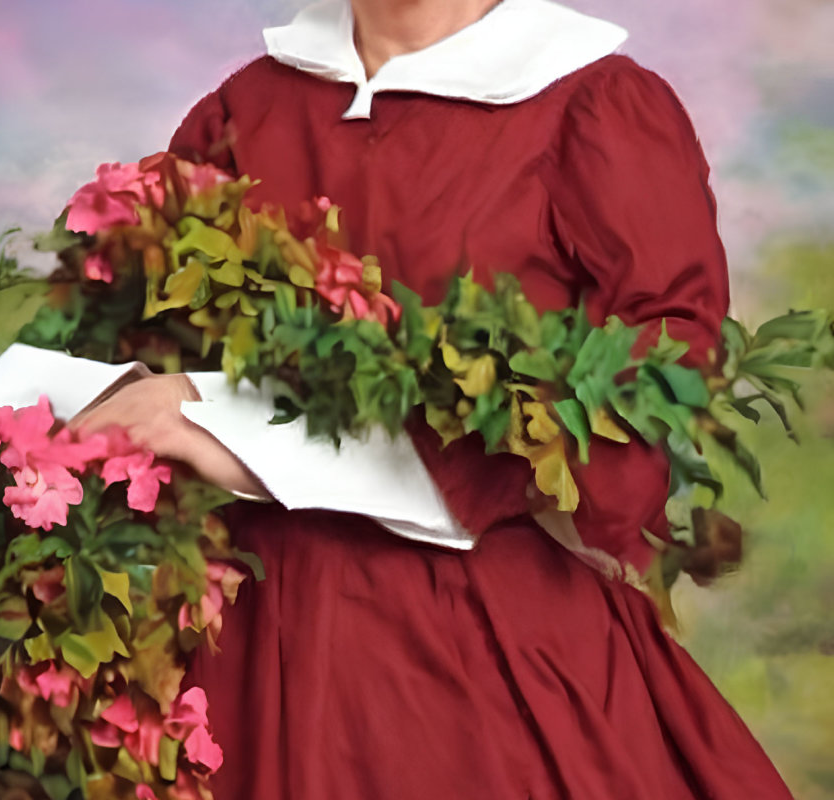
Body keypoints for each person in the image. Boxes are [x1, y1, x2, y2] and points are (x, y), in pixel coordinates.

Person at [79, 0, 795, 796]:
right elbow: (159, 364)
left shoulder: (595, 107)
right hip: (242, 637)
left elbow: (632, 417)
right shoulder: (241, 110)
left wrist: (229, 432)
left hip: (473, 651)